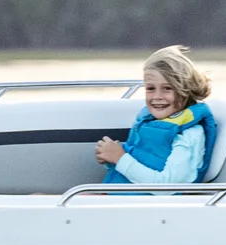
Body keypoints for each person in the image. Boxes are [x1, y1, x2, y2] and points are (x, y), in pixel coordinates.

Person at [93, 46, 218, 186]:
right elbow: (141, 162)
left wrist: (120, 158)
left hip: (152, 200)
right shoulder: (150, 123)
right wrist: (111, 159)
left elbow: (168, 186)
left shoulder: (190, 134)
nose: (157, 96)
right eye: (151, 88)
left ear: (186, 90)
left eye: (167, 88)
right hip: (125, 195)